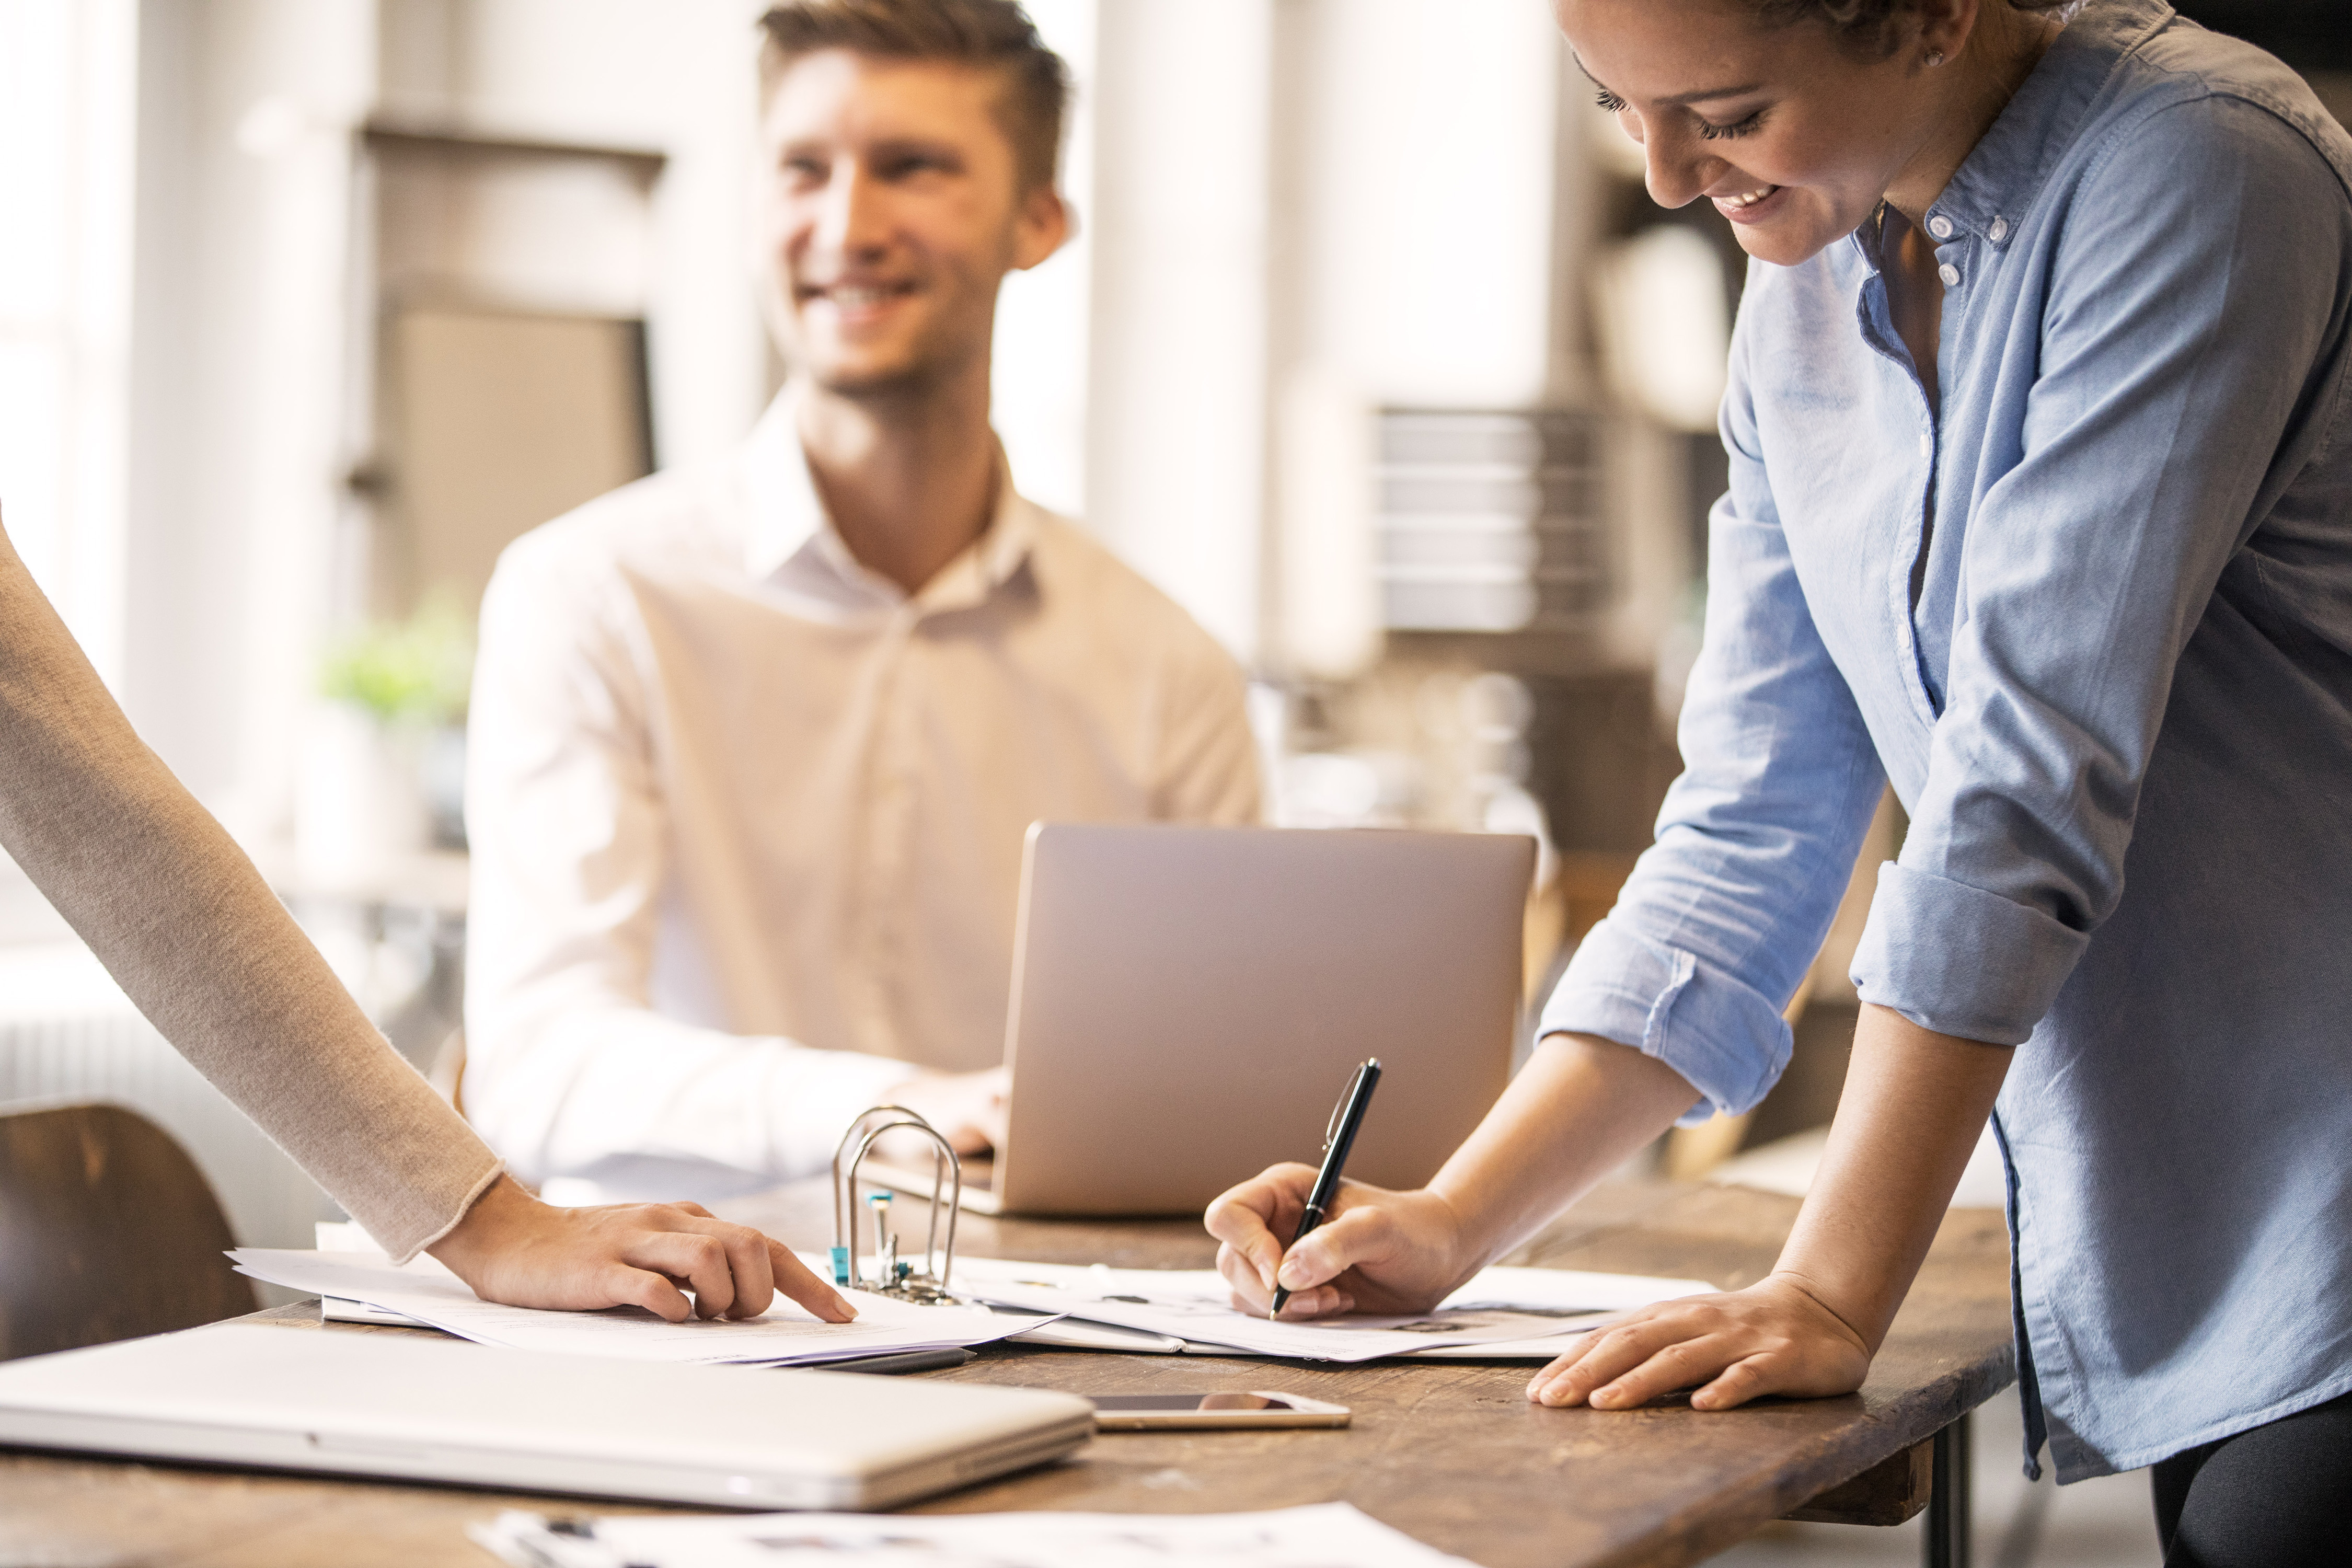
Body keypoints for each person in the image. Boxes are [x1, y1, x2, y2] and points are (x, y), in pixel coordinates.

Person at [1206, 2, 2352, 1561]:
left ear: (1934, 16)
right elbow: (1749, 818)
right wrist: (1452, 1220)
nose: (1668, 177)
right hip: (2220, 1216)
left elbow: (2023, 788)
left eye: (1729, 115)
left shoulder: (2200, 171)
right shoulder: (1809, 275)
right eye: (1617, 106)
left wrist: (1825, 1289)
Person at [462, 0, 1259, 1201]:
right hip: (668, 1286)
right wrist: (893, 1108)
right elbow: (538, 1067)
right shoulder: (592, 598)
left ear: (1038, 221)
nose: (845, 227)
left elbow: (1220, 1074)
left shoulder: (1165, 667)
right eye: (802, 170)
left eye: (912, 168)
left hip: (1035, 1290)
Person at [0, 515, 850, 1328]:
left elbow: (99, 811)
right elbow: (100, 819)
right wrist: (489, 1220)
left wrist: (490, 1219)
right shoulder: (591, 579)